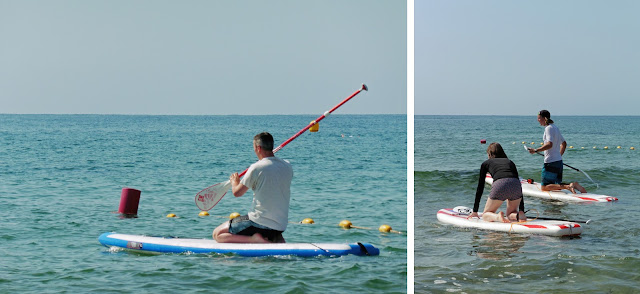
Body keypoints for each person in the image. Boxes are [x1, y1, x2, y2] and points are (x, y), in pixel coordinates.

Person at [212, 132, 293, 243]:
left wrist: (235, 182)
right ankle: (274, 238)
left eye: (254, 147)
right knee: (271, 231)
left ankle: (254, 239)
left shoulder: (256, 167)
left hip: (259, 223)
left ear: (258, 148)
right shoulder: (287, 165)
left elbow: (237, 193)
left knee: (218, 234)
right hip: (280, 226)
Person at [528, 110, 587, 194]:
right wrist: (559, 155)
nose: (538, 120)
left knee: (544, 187)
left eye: (539, 118)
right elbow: (564, 143)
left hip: (550, 162)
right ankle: (574, 185)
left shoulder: (548, 128)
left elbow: (549, 144)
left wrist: (535, 150)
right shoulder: (555, 127)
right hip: (558, 161)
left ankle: (568, 186)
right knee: (556, 185)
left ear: (544, 118)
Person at [468, 142, 526, 223]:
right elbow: (517, 182)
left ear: (489, 154)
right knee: (510, 213)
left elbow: (480, 187)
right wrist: (521, 209)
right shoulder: (510, 162)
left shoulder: (486, 163)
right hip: (515, 186)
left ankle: (497, 217)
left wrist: (475, 211)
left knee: (486, 215)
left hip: (500, 184)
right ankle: (518, 215)